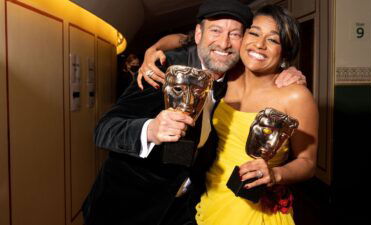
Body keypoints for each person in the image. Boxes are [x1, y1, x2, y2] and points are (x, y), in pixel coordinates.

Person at [82, 0, 305, 225]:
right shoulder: (162, 69)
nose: (224, 42)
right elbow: (104, 128)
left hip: (188, 210)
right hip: (127, 210)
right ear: (198, 33)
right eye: (215, 30)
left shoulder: (235, 76)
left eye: (235, 34)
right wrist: (151, 129)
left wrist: (286, 71)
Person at [139, 4, 318, 225]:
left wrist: (275, 175)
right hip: (208, 198)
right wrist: (152, 49)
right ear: (242, 38)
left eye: (273, 40)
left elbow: (308, 162)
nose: (260, 44)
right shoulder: (226, 75)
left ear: (285, 51)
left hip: (255, 210)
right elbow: (188, 38)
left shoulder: (296, 96)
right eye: (254, 33)